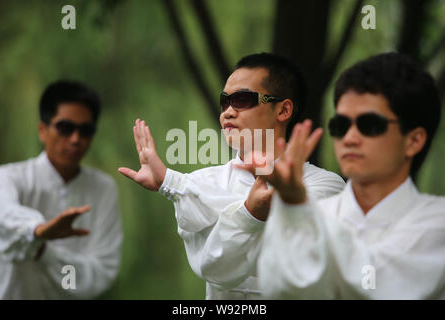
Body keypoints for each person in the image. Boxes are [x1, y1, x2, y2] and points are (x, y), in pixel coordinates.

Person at [118, 53, 345, 299]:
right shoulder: (203, 182)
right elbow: (214, 268)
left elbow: (296, 257)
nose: (227, 112)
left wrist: (173, 184)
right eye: (224, 101)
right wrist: (253, 211)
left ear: (283, 109)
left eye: (242, 99)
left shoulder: (326, 185)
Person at [238, 52, 445, 299]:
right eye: (341, 126)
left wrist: (298, 209)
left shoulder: (437, 221)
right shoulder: (310, 212)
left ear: (413, 140)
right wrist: (292, 205)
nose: (349, 138)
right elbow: (279, 289)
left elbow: (375, 286)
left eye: (369, 125)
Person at [0, 80, 123, 299]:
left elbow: (100, 274)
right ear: (43, 130)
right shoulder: (8, 177)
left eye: (86, 131)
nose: (75, 139)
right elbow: (3, 218)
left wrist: (44, 252)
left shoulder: (103, 189)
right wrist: (37, 231)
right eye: (65, 128)